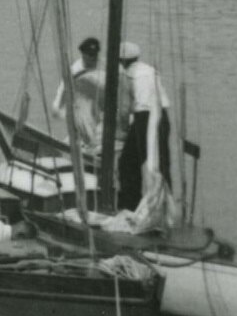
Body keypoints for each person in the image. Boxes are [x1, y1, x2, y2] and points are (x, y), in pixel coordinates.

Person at [117, 40, 172, 212]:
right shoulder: (151, 71)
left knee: (127, 163)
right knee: (161, 164)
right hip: (162, 117)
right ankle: (165, 208)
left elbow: (124, 109)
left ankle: (130, 205)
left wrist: (122, 131)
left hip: (144, 118)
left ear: (121, 61)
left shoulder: (126, 75)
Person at [52, 36, 105, 153]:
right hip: (81, 107)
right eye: (89, 55)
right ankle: (86, 143)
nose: (93, 58)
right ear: (83, 54)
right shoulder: (75, 70)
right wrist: (58, 108)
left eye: (95, 55)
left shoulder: (103, 66)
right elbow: (63, 90)